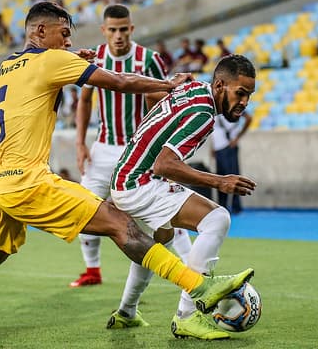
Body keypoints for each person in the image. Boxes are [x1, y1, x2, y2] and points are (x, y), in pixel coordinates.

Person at [0, 2, 254, 339]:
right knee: (120, 223)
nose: (68, 42)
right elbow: (121, 81)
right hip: (30, 182)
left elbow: (40, 81)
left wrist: (72, 60)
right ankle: (199, 288)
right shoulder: (52, 60)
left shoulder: (8, 66)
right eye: (63, 34)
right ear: (40, 31)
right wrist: (168, 85)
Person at [106, 54, 257, 340]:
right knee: (217, 218)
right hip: (140, 182)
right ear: (221, 85)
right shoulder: (203, 114)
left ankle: (126, 312)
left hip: (126, 177)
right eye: (240, 93)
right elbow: (165, 164)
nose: (245, 102)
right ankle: (188, 316)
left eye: (249, 95)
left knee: (156, 243)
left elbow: (154, 95)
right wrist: (219, 181)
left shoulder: (195, 88)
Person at [71, 4, 192, 288]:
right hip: (102, 147)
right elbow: (84, 101)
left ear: (132, 29)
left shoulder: (148, 59)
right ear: (104, 31)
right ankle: (92, 270)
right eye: (112, 30)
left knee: (164, 211)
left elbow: (163, 100)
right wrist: (80, 143)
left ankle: (193, 266)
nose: (118, 35)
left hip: (138, 152)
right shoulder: (95, 58)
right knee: (83, 207)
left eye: (123, 29)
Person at [212, 107, 252, 214]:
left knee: (234, 176)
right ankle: (222, 206)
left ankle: (236, 206)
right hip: (218, 147)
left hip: (229, 146)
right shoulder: (216, 107)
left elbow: (249, 118)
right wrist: (213, 148)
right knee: (220, 177)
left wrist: (237, 138)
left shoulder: (232, 105)